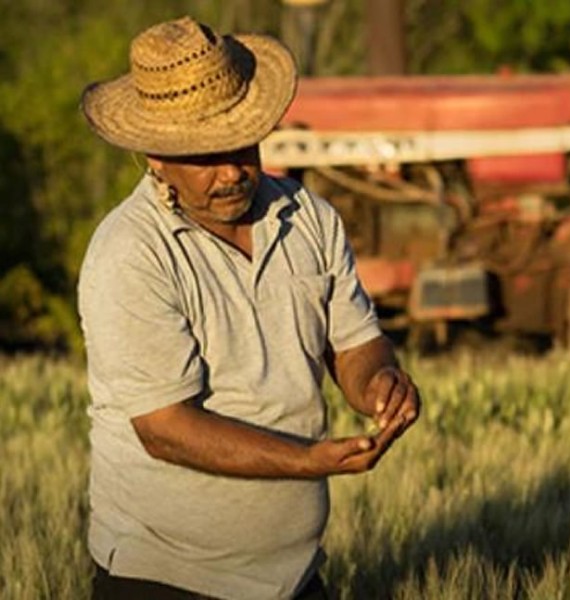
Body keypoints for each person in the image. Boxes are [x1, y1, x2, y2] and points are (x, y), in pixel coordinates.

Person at [78, 15, 420, 600]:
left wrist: (379, 384)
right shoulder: (129, 254)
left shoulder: (307, 216)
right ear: (154, 157)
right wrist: (311, 461)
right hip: (165, 578)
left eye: (243, 144)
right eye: (205, 157)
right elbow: (167, 431)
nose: (233, 171)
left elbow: (355, 342)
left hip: (293, 577)